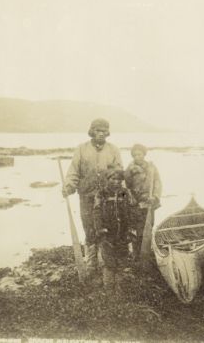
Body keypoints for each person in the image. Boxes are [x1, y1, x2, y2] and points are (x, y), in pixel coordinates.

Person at [62, 118, 123, 277]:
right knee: (89, 228)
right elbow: (74, 171)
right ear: (92, 131)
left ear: (107, 133)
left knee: (105, 228)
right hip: (87, 196)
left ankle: (105, 263)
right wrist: (69, 186)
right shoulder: (81, 149)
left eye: (104, 131)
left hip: (106, 199)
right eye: (97, 130)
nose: (101, 134)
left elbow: (119, 172)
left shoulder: (113, 150)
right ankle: (91, 264)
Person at [92, 169, 132, 291]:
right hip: (107, 232)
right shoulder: (102, 193)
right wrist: (100, 229)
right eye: (112, 179)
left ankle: (120, 287)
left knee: (122, 259)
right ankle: (108, 289)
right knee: (108, 261)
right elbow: (97, 211)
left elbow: (130, 210)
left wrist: (130, 229)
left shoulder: (125, 193)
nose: (116, 182)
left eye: (118, 179)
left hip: (122, 232)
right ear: (107, 179)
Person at [124, 144, 162, 258]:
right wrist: (131, 197)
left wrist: (155, 196)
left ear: (144, 154)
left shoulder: (151, 167)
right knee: (136, 230)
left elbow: (157, 183)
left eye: (139, 154)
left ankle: (146, 252)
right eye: (134, 155)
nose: (137, 157)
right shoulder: (129, 169)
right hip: (135, 204)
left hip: (149, 202)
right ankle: (137, 255)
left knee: (148, 227)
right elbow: (126, 186)